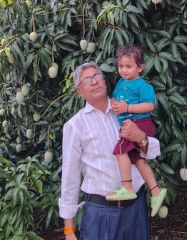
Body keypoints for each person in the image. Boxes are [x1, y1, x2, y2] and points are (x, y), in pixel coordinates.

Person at [60, 62, 162, 240]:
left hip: (135, 208)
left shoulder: (126, 110)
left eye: (97, 76)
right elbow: (70, 177)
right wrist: (69, 230)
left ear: (105, 81)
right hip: (101, 212)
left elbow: (151, 152)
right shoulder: (75, 126)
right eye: (87, 80)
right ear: (79, 91)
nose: (94, 82)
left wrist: (140, 137)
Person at [108, 45, 168, 214]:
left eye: (129, 66)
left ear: (140, 67)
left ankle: (127, 187)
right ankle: (156, 191)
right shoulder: (121, 82)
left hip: (139, 123)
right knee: (137, 159)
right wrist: (113, 104)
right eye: (121, 66)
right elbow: (116, 99)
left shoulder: (142, 85)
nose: (123, 70)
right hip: (130, 124)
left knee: (120, 151)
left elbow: (149, 105)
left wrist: (127, 108)